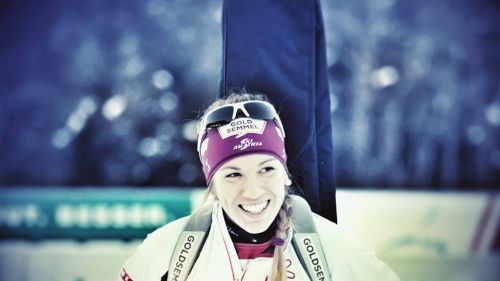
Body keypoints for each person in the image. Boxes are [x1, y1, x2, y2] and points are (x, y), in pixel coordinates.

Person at [118, 92, 400, 281]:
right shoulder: (169, 248)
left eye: (266, 169)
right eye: (233, 174)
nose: (252, 191)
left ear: (285, 173)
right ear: (212, 185)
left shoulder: (328, 246)